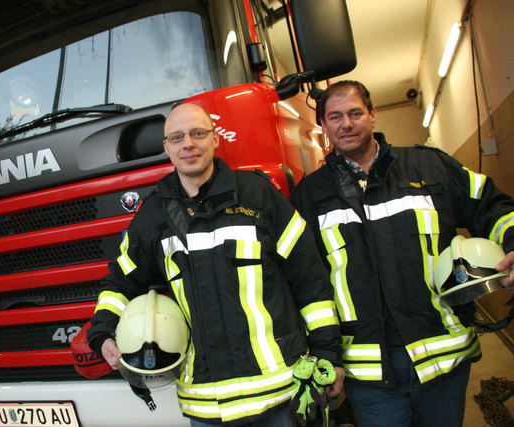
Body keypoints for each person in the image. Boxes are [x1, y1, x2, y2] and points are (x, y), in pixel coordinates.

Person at [88, 103, 344, 426]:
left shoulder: (258, 196)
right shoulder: (152, 217)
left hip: (283, 394)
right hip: (207, 407)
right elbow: (120, 283)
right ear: (167, 148)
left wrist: (327, 354)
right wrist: (102, 333)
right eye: (178, 137)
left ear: (215, 139)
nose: (189, 144)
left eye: (198, 133)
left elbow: (309, 277)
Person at [290, 80, 514, 427]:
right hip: (369, 370)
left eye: (354, 113)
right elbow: (308, 281)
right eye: (335, 117)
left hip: (443, 358)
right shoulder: (308, 196)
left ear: (373, 115)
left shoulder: (429, 168)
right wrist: (325, 354)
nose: (345, 124)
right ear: (323, 125)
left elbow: (491, 205)